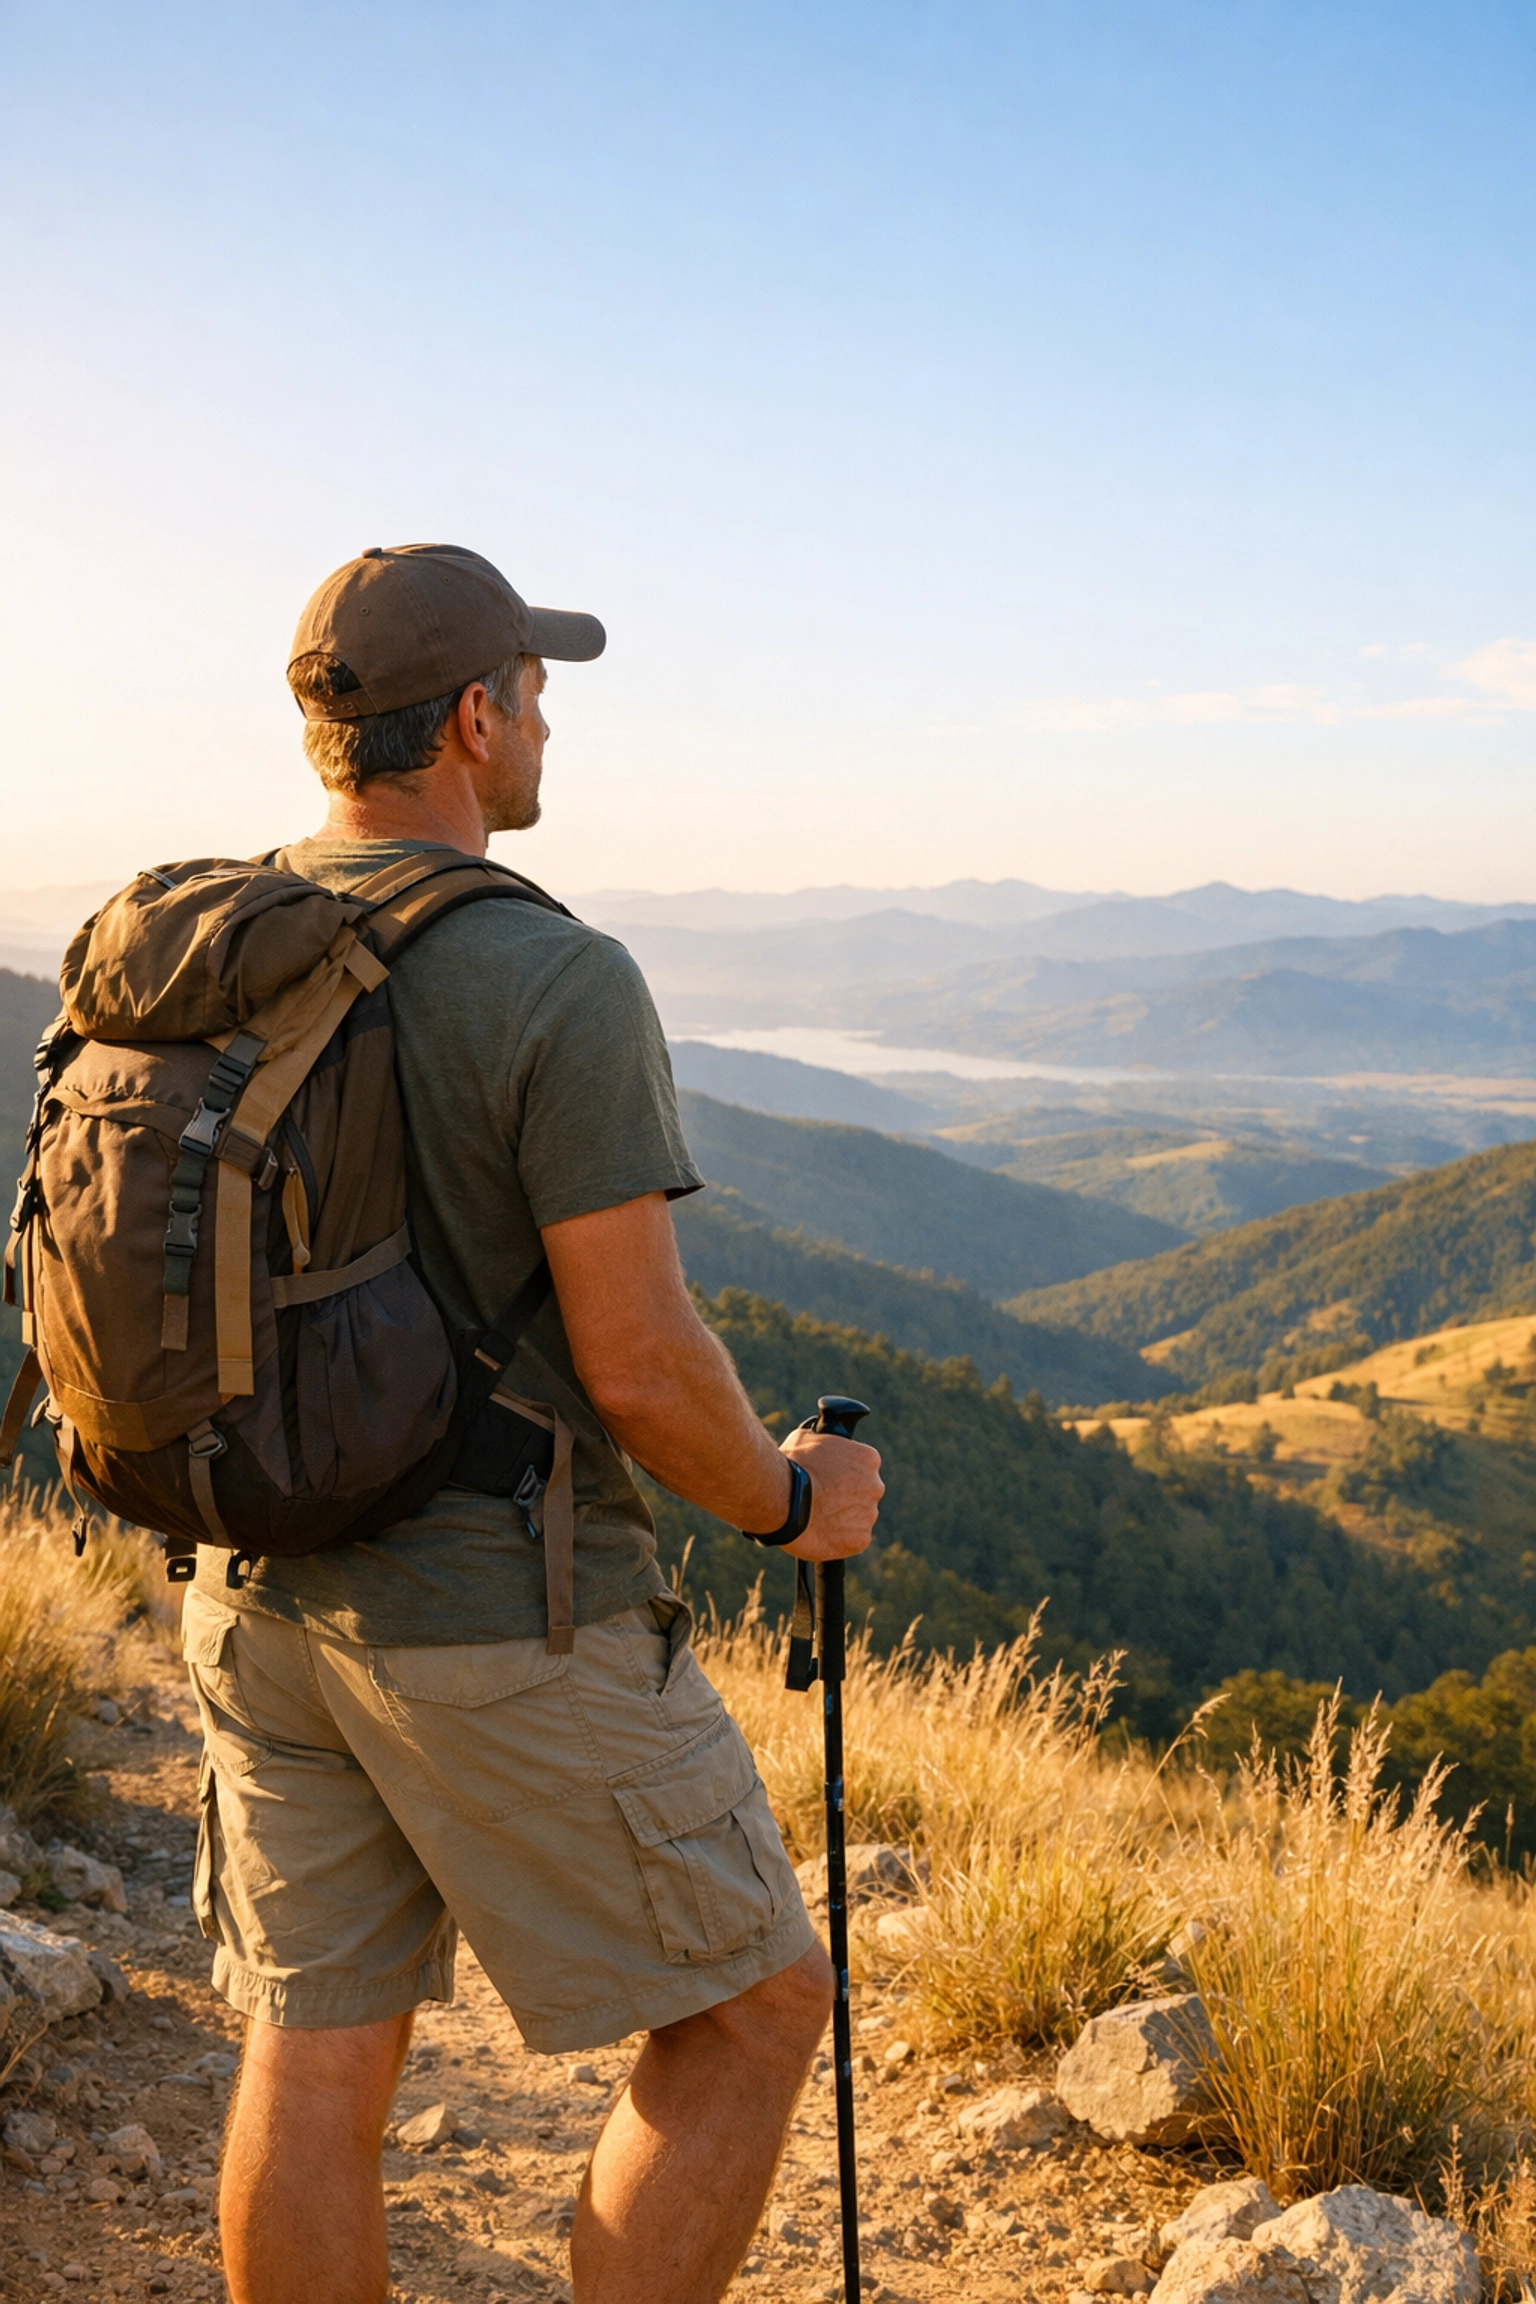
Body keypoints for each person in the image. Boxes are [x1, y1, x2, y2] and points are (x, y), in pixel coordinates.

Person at [185, 543, 885, 2304]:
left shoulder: (216, 942)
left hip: (247, 1589)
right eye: (540, 691)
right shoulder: (550, 978)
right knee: (757, 2010)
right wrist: (792, 1505)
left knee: (318, 2050)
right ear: (477, 719)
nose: (552, 722)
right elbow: (640, 1363)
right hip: (491, 1607)